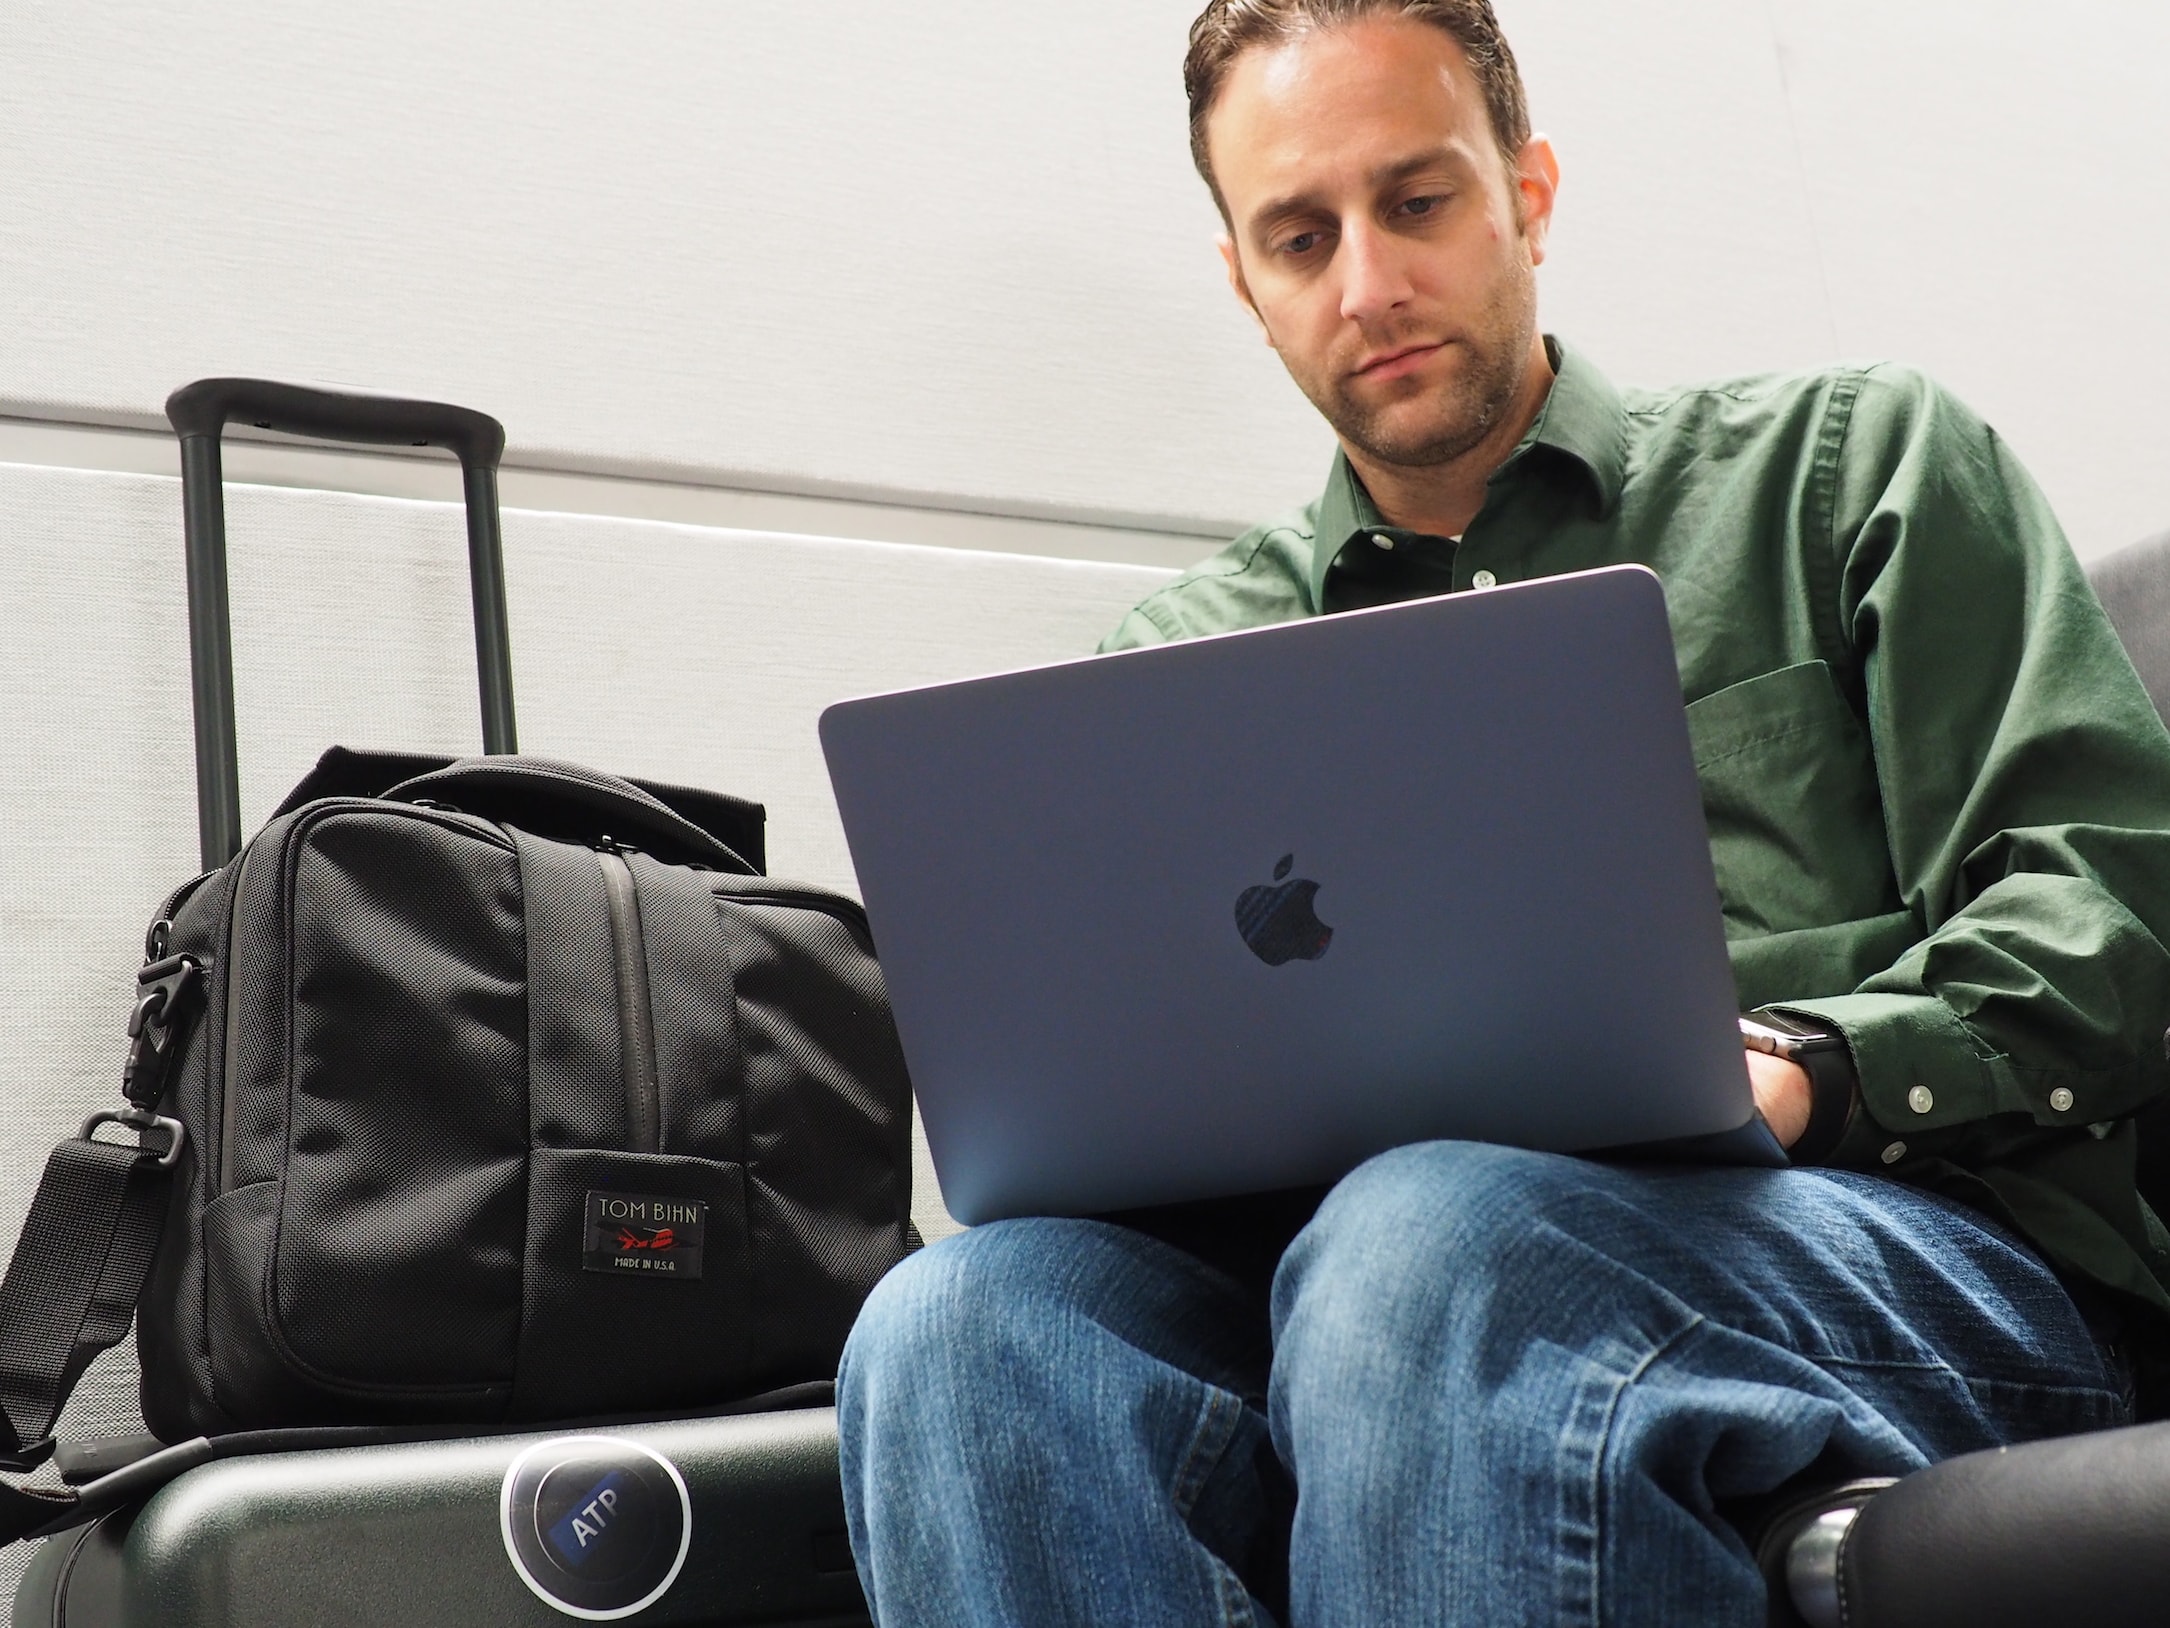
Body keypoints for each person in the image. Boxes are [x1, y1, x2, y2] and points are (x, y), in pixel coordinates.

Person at [837, 2, 2170, 1622]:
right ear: (1242, 286)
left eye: (1417, 202)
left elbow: (2105, 908)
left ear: (1526, 192)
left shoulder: (1845, 466)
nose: (1368, 285)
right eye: (1298, 235)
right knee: (956, 1325)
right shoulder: (1174, 667)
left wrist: (1811, 1068)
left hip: (1911, 1254)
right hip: (1355, 1278)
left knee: (1431, 1241)